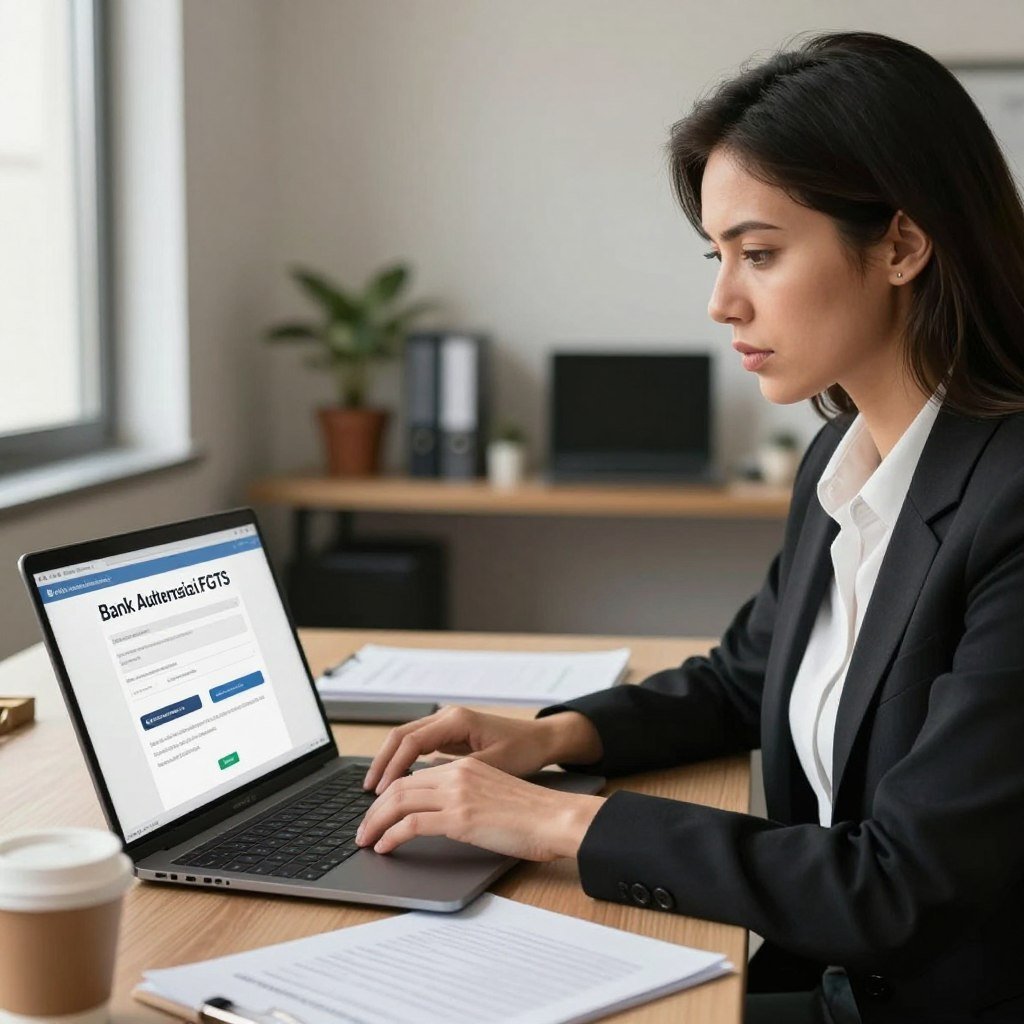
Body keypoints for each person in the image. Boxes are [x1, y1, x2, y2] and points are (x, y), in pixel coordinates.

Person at [355, 32, 1024, 1024]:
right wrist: (548, 736)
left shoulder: (1009, 502)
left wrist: (554, 820)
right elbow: (744, 675)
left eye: (758, 253)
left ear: (899, 243)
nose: (720, 300)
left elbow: (901, 886)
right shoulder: (842, 462)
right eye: (717, 256)